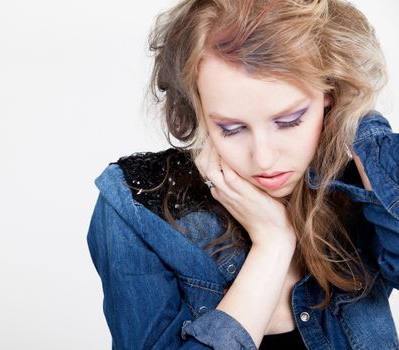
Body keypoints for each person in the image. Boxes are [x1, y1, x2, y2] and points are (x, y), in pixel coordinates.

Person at [87, 0, 399, 349]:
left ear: (330, 93)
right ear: (197, 109)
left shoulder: (353, 184)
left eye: (289, 121)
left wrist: (364, 132)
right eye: (232, 128)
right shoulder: (137, 207)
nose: (264, 159)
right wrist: (272, 245)